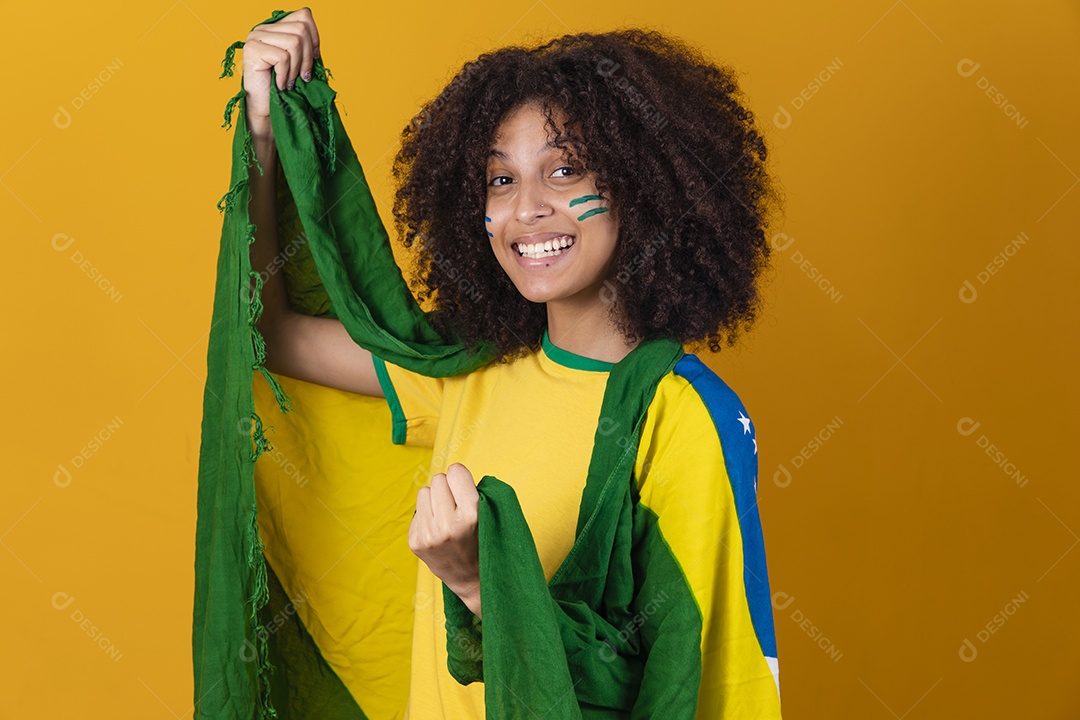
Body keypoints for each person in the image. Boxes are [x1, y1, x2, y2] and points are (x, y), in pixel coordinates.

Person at [241, 7, 783, 718]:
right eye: (500, 180)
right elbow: (267, 331)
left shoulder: (679, 418)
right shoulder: (471, 370)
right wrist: (262, 131)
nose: (527, 209)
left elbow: (688, 684)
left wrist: (478, 583)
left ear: (647, 189)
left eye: (566, 170)